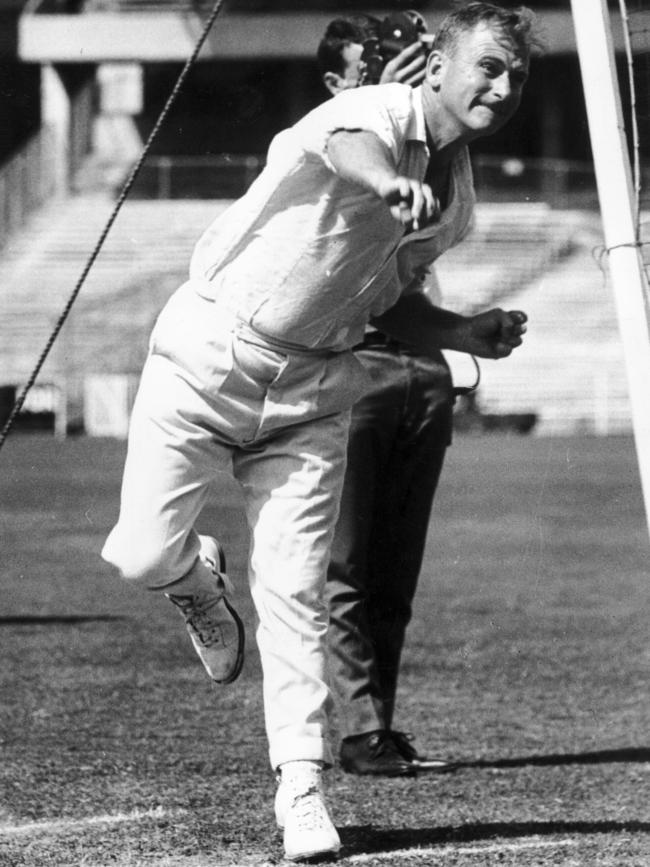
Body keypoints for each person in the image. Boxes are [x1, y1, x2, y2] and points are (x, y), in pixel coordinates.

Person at [102, 3, 534, 861]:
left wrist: (464, 330)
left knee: (296, 595)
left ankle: (300, 787)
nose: (504, 85)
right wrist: (382, 183)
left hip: (314, 390)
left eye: (518, 75)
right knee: (139, 555)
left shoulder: (457, 203)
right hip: (208, 352)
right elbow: (348, 153)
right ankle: (195, 579)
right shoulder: (370, 111)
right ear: (441, 66)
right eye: (489, 66)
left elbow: (389, 303)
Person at [318, 14, 462, 777]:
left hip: (417, 365)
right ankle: (358, 725)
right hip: (355, 366)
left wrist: (463, 330)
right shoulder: (334, 146)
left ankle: (378, 724)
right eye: (372, 66)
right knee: (346, 564)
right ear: (337, 85)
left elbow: (405, 280)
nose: (390, 77)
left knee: (394, 570)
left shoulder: (426, 147)